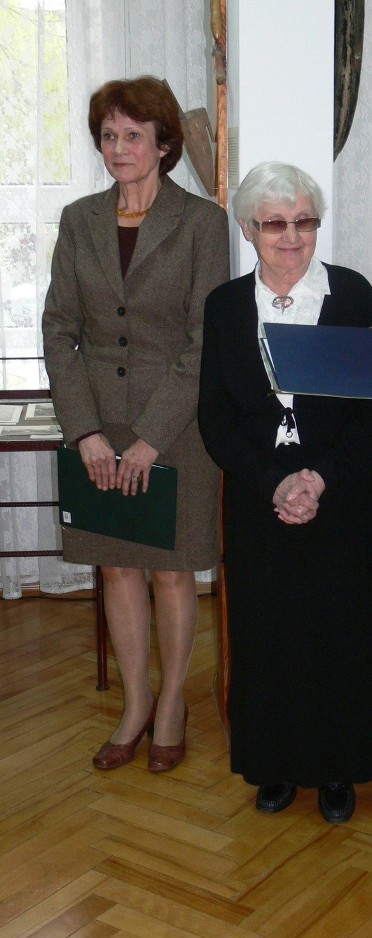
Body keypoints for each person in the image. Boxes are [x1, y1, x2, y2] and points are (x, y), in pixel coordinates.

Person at [42, 76, 229, 772]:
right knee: (117, 570)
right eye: (107, 135)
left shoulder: (203, 224)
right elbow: (60, 330)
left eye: (131, 135)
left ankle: (175, 702)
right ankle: (137, 703)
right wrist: (85, 432)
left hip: (175, 429)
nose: (117, 148)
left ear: (163, 144)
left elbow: (205, 340)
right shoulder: (79, 220)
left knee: (173, 574)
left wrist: (150, 438)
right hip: (97, 426)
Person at [198, 162, 372, 824]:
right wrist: (274, 480)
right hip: (259, 500)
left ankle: (340, 768)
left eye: (305, 221)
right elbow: (215, 419)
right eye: (276, 223)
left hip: (341, 497)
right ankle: (273, 764)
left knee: (340, 630)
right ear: (249, 228)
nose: (292, 237)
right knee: (267, 633)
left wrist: (318, 477)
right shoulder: (225, 306)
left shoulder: (352, 295)